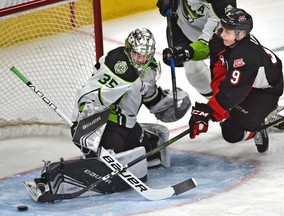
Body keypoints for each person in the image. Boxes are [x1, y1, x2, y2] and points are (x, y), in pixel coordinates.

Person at [23, 28, 192, 200]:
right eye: (137, 55)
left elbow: (150, 96)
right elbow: (90, 95)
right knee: (107, 167)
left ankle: (145, 137)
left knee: (151, 151)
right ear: (128, 50)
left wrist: (168, 105)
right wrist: (86, 128)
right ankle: (53, 180)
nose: (141, 60)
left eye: (145, 55)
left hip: (128, 124)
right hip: (107, 125)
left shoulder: (150, 68)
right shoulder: (118, 64)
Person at [187, 8, 284, 153]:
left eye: (228, 31)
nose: (222, 33)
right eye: (222, 28)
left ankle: (260, 122)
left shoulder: (245, 55)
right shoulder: (220, 40)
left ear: (240, 34)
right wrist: (214, 105)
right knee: (225, 113)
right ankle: (253, 118)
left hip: (265, 91)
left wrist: (209, 112)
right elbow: (218, 70)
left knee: (232, 133)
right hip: (243, 83)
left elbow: (232, 93)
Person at [157, 0, 237, 98]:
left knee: (233, 70)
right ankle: (215, 102)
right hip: (184, 31)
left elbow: (206, 45)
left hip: (217, 38)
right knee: (194, 73)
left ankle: (230, 104)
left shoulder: (223, 4)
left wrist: (187, 52)